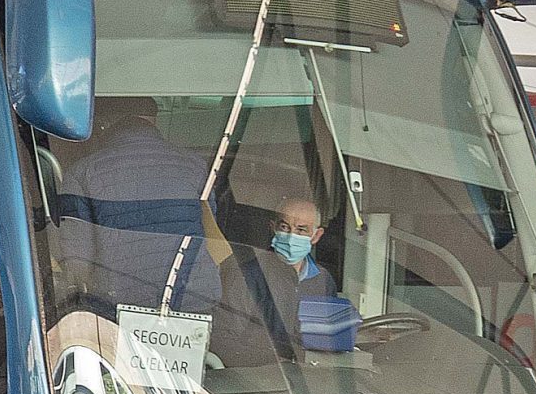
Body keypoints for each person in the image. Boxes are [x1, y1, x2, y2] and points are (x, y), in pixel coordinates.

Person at [46, 96, 222, 317]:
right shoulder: (196, 165)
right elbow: (212, 238)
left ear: (105, 123)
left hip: (119, 307)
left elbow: (78, 264)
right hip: (196, 299)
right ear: (154, 122)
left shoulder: (82, 173)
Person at [215, 194, 349, 367]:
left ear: (316, 236)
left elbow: (326, 340)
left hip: (308, 382)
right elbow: (221, 339)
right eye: (285, 227)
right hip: (255, 379)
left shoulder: (322, 280)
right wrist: (275, 363)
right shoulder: (246, 274)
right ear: (273, 228)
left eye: (301, 230)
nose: (291, 236)